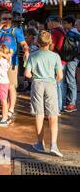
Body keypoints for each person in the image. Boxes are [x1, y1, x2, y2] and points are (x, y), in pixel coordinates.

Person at [25, 30, 64, 158]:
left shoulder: (33, 55)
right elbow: (60, 76)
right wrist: (52, 80)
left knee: (39, 114)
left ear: (37, 42)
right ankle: (54, 145)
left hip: (37, 83)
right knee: (53, 115)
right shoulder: (55, 56)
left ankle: (40, 144)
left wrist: (34, 77)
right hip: (50, 84)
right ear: (50, 42)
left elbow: (27, 74)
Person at [0, 11, 29, 120]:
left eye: (9, 18)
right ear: (0, 19)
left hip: (11, 63)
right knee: (2, 87)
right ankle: (4, 109)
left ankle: (10, 110)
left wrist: (26, 51)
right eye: (4, 18)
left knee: (11, 86)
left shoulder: (16, 30)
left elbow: (24, 43)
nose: (7, 20)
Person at [46, 15, 67, 112]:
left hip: (56, 60)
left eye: (48, 21)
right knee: (61, 84)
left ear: (52, 21)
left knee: (57, 84)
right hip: (63, 60)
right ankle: (61, 105)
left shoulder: (54, 32)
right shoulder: (63, 30)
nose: (47, 24)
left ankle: (58, 107)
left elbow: (51, 47)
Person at [61, 16, 79, 113]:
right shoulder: (74, 32)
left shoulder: (72, 33)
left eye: (65, 23)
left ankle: (72, 103)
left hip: (71, 60)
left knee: (71, 80)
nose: (63, 25)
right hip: (72, 59)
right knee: (69, 80)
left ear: (70, 24)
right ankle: (69, 102)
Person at [0, 45, 12, 127]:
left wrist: (5, 55)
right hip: (4, 82)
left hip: (2, 83)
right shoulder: (7, 60)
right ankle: (6, 117)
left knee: (3, 102)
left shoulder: (2, 60)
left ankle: (4, 119)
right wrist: (8, 55)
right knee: (5, 101)